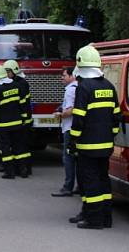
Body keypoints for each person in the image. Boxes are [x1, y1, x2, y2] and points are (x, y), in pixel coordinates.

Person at [68, 45, 121, 229]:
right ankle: (106, 218)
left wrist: (72, 141)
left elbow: (79, 118)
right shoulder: (109, 86)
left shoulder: (83, 88)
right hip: (106, 146)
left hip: (87, 147)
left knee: (89, 182)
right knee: (103, 181)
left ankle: (94, 220)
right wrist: (110, 136)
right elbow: (116, 117)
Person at [0, 64, 27, 179]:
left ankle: (10, 172)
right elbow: (23, 104)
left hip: (3, 126)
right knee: (19, 147)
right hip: (18, 123)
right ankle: (23, 170)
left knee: (5, 148)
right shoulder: (17, 86)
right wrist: (24, 118)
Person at [51, 67, 78, 197]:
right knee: (77, 158)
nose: (62, 77)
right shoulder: (78, 88)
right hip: (77, 128)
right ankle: (79, 186)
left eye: (64, 75)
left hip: (69, 128)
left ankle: (68, 187)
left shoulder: (70, 91)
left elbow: (71, 110)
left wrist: (60, 114)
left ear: (72, 76)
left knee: (68, 158)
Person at [5, 59, 33, 176]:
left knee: (22, 145)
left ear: (14, 71)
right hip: (19, 119)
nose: (7, 74)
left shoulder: (20, 84)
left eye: (8, 71)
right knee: (17, 145)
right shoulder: (17, 82)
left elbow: (24, 104)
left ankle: (24, 169)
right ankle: (20, 168)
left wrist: (24, 119)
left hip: (23, 120)